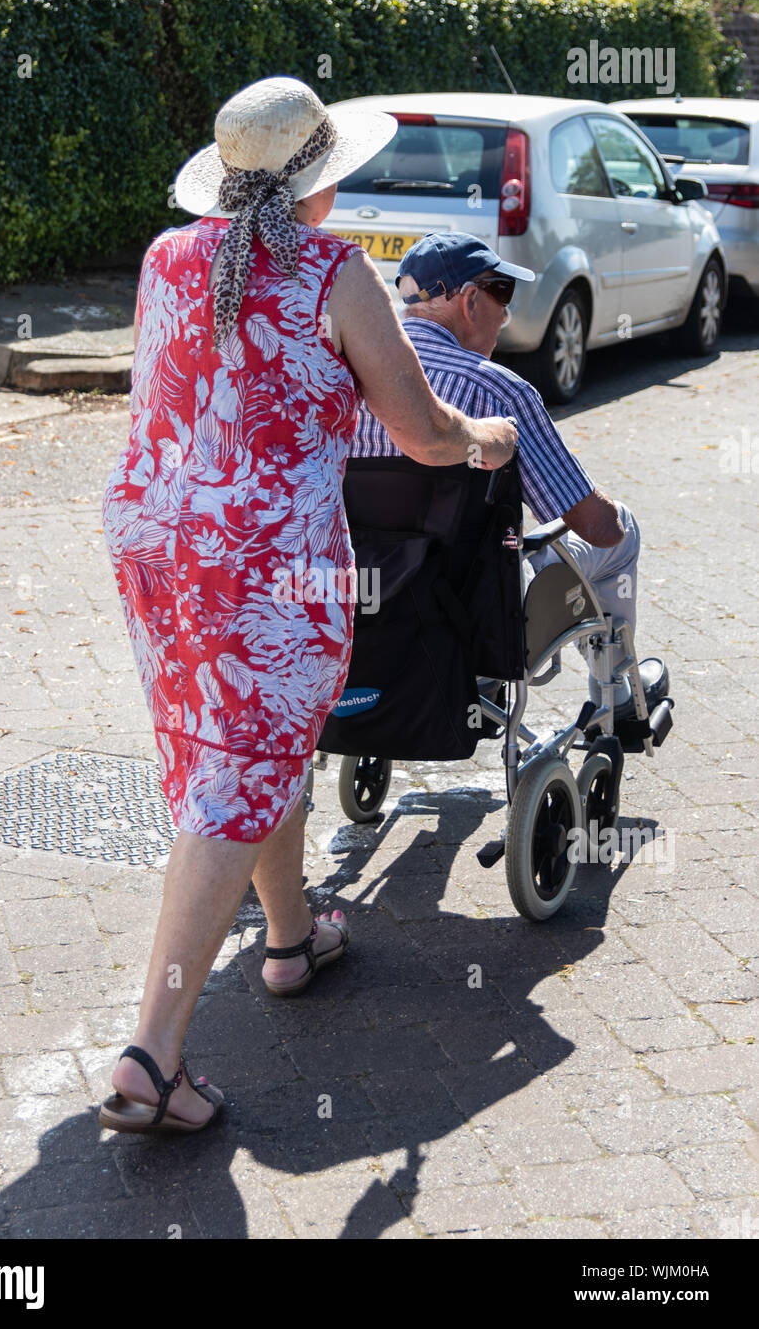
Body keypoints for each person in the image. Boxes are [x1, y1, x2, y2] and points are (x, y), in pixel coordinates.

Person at [99, 81, 516, 1134]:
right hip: (275, 564)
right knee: (233, 779)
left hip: (154, 541)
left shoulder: (164, 257)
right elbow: (419, 431)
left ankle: (289, 940)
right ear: (317, 185)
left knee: (243, 746)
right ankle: (151, 1054)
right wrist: (482, 436)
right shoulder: (333, 270)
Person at [351, 232, 668, 718]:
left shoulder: (344, 379)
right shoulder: (500, 391)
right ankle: (616, 697)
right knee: (621, 531)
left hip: (365, 598)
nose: (506, 312)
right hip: (478, 616)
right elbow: (597, 529)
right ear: (470, 300)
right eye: (501, 292)